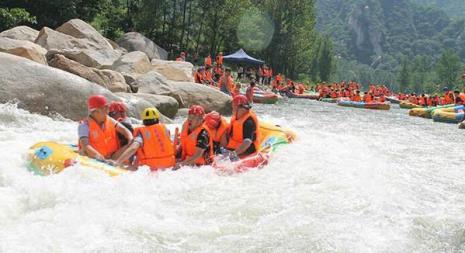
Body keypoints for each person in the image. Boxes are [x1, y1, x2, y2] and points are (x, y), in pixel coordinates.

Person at [78, 95, 133, 161]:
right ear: (96, 111)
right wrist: (101, 159)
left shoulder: (109, 120)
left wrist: (130, 139)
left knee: (133, 142)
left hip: (112, 157)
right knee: (84, 151)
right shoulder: (84, 125)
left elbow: (125, 130)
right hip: (94, 158)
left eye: (107, 107)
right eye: (105, 108)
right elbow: (85, 146)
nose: (108, 111)